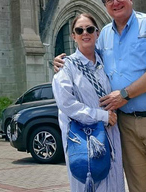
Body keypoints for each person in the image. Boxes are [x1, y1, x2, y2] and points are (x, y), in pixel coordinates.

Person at [54, 0, 146, 192]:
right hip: (125, 126)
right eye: (110, 0)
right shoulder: (104, 36)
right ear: (105, 6)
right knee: (141, 188)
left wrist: (125, 94)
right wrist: (63, 63)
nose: (116, 2)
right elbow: (86, 58)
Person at [52, 13, 125, 192]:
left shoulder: (106, 63)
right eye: (79, 30)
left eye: (90, 29)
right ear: (73, 36)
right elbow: (67, 104)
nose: (85, 33)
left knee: (114, 184)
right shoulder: (66, 67)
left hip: (111, 135)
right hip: (83, 139)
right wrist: (102, 116)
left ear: (97, 33)